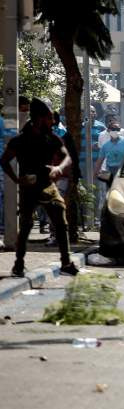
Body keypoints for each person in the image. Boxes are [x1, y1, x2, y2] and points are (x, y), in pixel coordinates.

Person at [1, 98, 79, 277]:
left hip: (47, 185)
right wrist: (17, 180)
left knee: (60, 216)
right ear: (38, 118)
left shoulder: (52, 138)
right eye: (49, 118)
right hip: (29, 187)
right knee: (27, 224)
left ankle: (65, 262)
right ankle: (19, 263)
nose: (53, 121)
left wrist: (58, 168)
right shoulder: (19, 141)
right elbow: (4, 161)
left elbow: (67, 157)